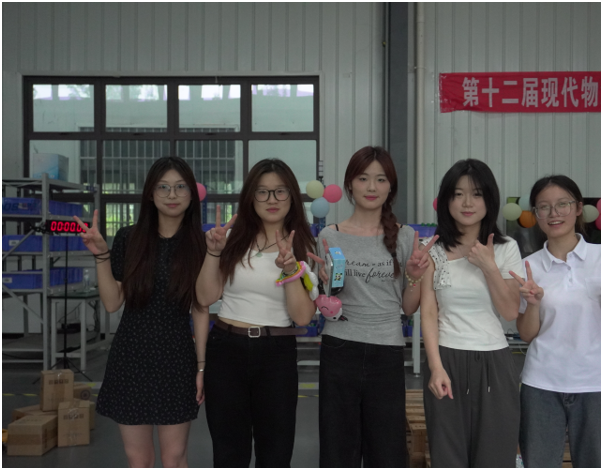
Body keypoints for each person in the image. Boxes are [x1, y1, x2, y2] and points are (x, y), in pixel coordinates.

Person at [308, 146, 438, 468]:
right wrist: (324, 285)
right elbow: (327, 303)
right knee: (338, 450)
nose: (371, 187)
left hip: (386, 350)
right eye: (363, 178)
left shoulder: (406, 236)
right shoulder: (330, 236)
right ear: (350, 184)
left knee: (387, 451)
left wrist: (414, 276)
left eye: (381, 179)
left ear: (390, 187)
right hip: (339, 348)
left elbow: (408, 307)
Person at [74, 156, 206, 468]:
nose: (172, 195)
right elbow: (112, 303)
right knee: (139, 459)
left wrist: (201, 368)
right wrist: (101, 255)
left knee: (174, 458)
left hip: (177, 358)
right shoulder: (128, 238)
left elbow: (201, 309)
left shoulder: (199, 244)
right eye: (163, 187)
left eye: (180, 187)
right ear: (150, 193)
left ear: (192, 194)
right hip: (131, 357)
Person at [510, 175, 601, 468]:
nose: (554, 213)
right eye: (544, 207)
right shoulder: (529, 266)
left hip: (596, 384)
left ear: (579, 208)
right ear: (536, 214)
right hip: (541, 384)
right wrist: (533, 304)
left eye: (563, 204)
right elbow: (527, 334)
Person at [195, 159, 317, 468]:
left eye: (280, 191)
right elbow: (205, 297)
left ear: (292, 196)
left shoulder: (305, 246)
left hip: (276, 354)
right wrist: (213, 251)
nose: (271, 199)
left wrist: (290, 270)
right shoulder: (231, 240)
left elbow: (303, 317)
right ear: (250, 197)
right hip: (226, 349)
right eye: (262, 192)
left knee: (275, 454)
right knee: (228, 453)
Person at [420, 159, 522, 468]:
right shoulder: (432, 248)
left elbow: (510, 311)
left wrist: (489, 266)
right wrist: (435, 367)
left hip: (495, 361)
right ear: (446, 200)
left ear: (489, 199)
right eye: (458, 194)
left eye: (477, 194)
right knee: (447, 455)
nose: (467, 203)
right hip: (446, 358)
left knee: (495, 455)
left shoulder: (506, 248)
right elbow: (428, 312)